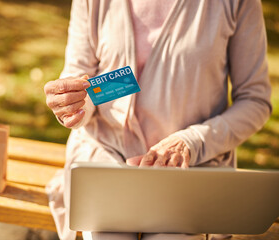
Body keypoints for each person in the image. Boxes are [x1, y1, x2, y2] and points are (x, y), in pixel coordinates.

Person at [44, 0, 272, 239]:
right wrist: (72, 103)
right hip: (104, 158)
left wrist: (192, 141)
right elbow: (82, 81)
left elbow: (255, 100)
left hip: (189, 169)